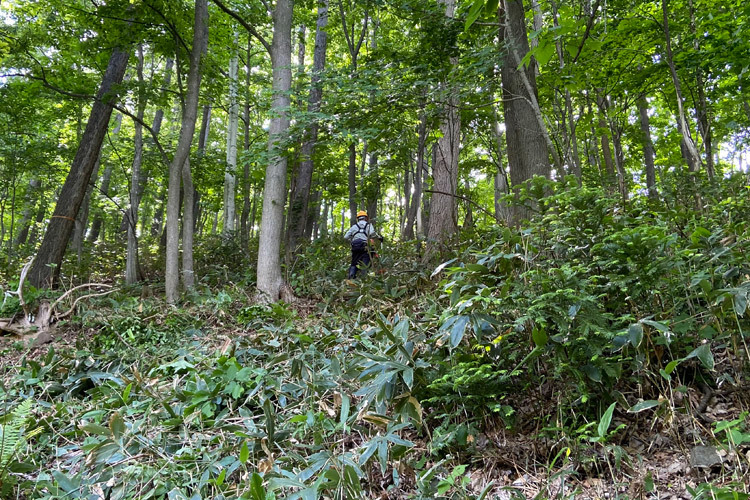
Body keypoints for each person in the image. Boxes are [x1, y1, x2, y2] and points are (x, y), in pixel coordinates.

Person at [344, 210, 383, 279]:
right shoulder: (368, 225)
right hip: (365, 247)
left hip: (355, 247)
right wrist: (379, 237)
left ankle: (351, 278)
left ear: (358, 219)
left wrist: (353, 240)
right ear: (366, 218)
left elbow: (346, 237)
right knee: (366, 264)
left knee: (354, 263)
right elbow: (372, 233)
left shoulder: (354, 227)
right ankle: (364, 279)